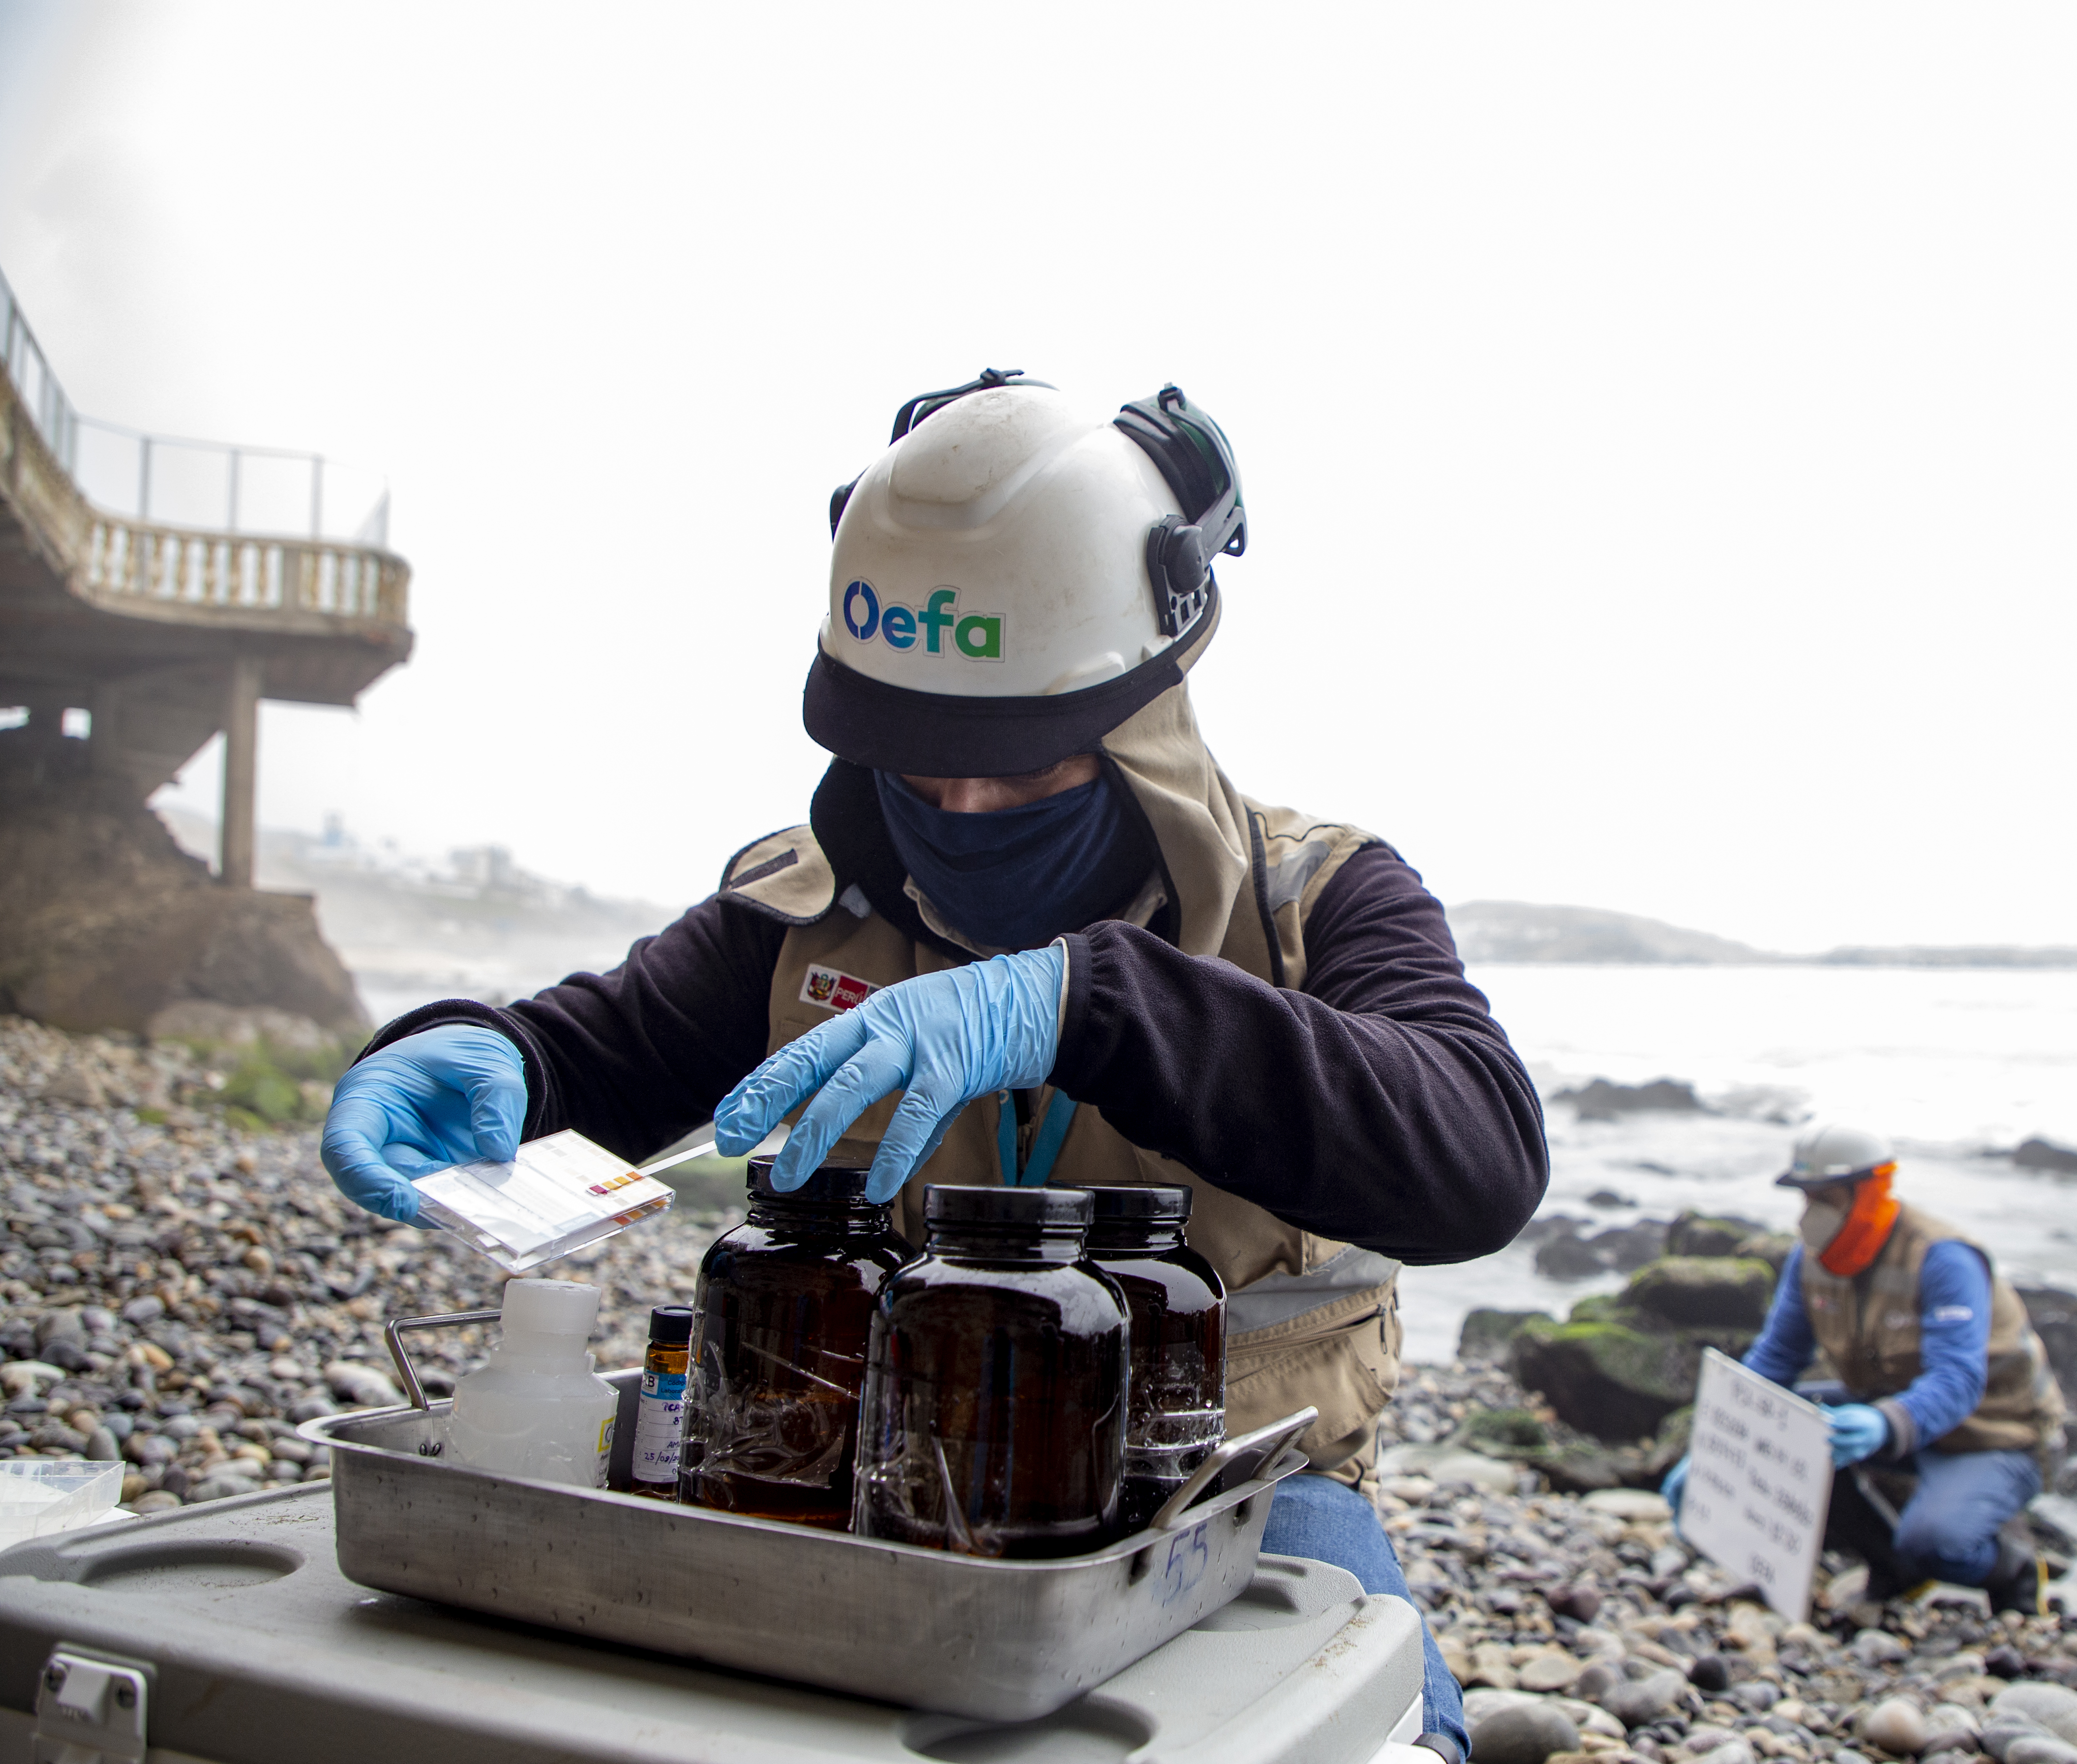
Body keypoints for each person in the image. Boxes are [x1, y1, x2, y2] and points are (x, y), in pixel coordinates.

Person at [318, 370, 1548, 1762]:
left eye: (1020, 770)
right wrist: (478, 1050)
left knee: (1367, 1736)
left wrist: (1091, 1004)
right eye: (918, 761)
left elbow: (1481, 1162)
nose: (960, 809)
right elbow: (600, 1047)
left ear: (1140, 722)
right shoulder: (802, 916)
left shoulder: (1317, 901)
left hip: (1241, 1497)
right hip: (892, 1497)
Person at [1667, 1124, 2065, 1612]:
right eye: (1807, 1199)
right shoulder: (1810, 1260)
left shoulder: (1943, 1258)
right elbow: (1776, 1360)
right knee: (1793, 1419)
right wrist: (1717, 1451)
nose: (1812, 1215)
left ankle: (2016, 1569)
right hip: (1891, 1412)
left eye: (1827, 1199)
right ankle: (1892, 1566)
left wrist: (1884, 1423)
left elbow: (1958, 1379)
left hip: (1993, 1433)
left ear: (1872, 1190)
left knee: (1937, 1542)